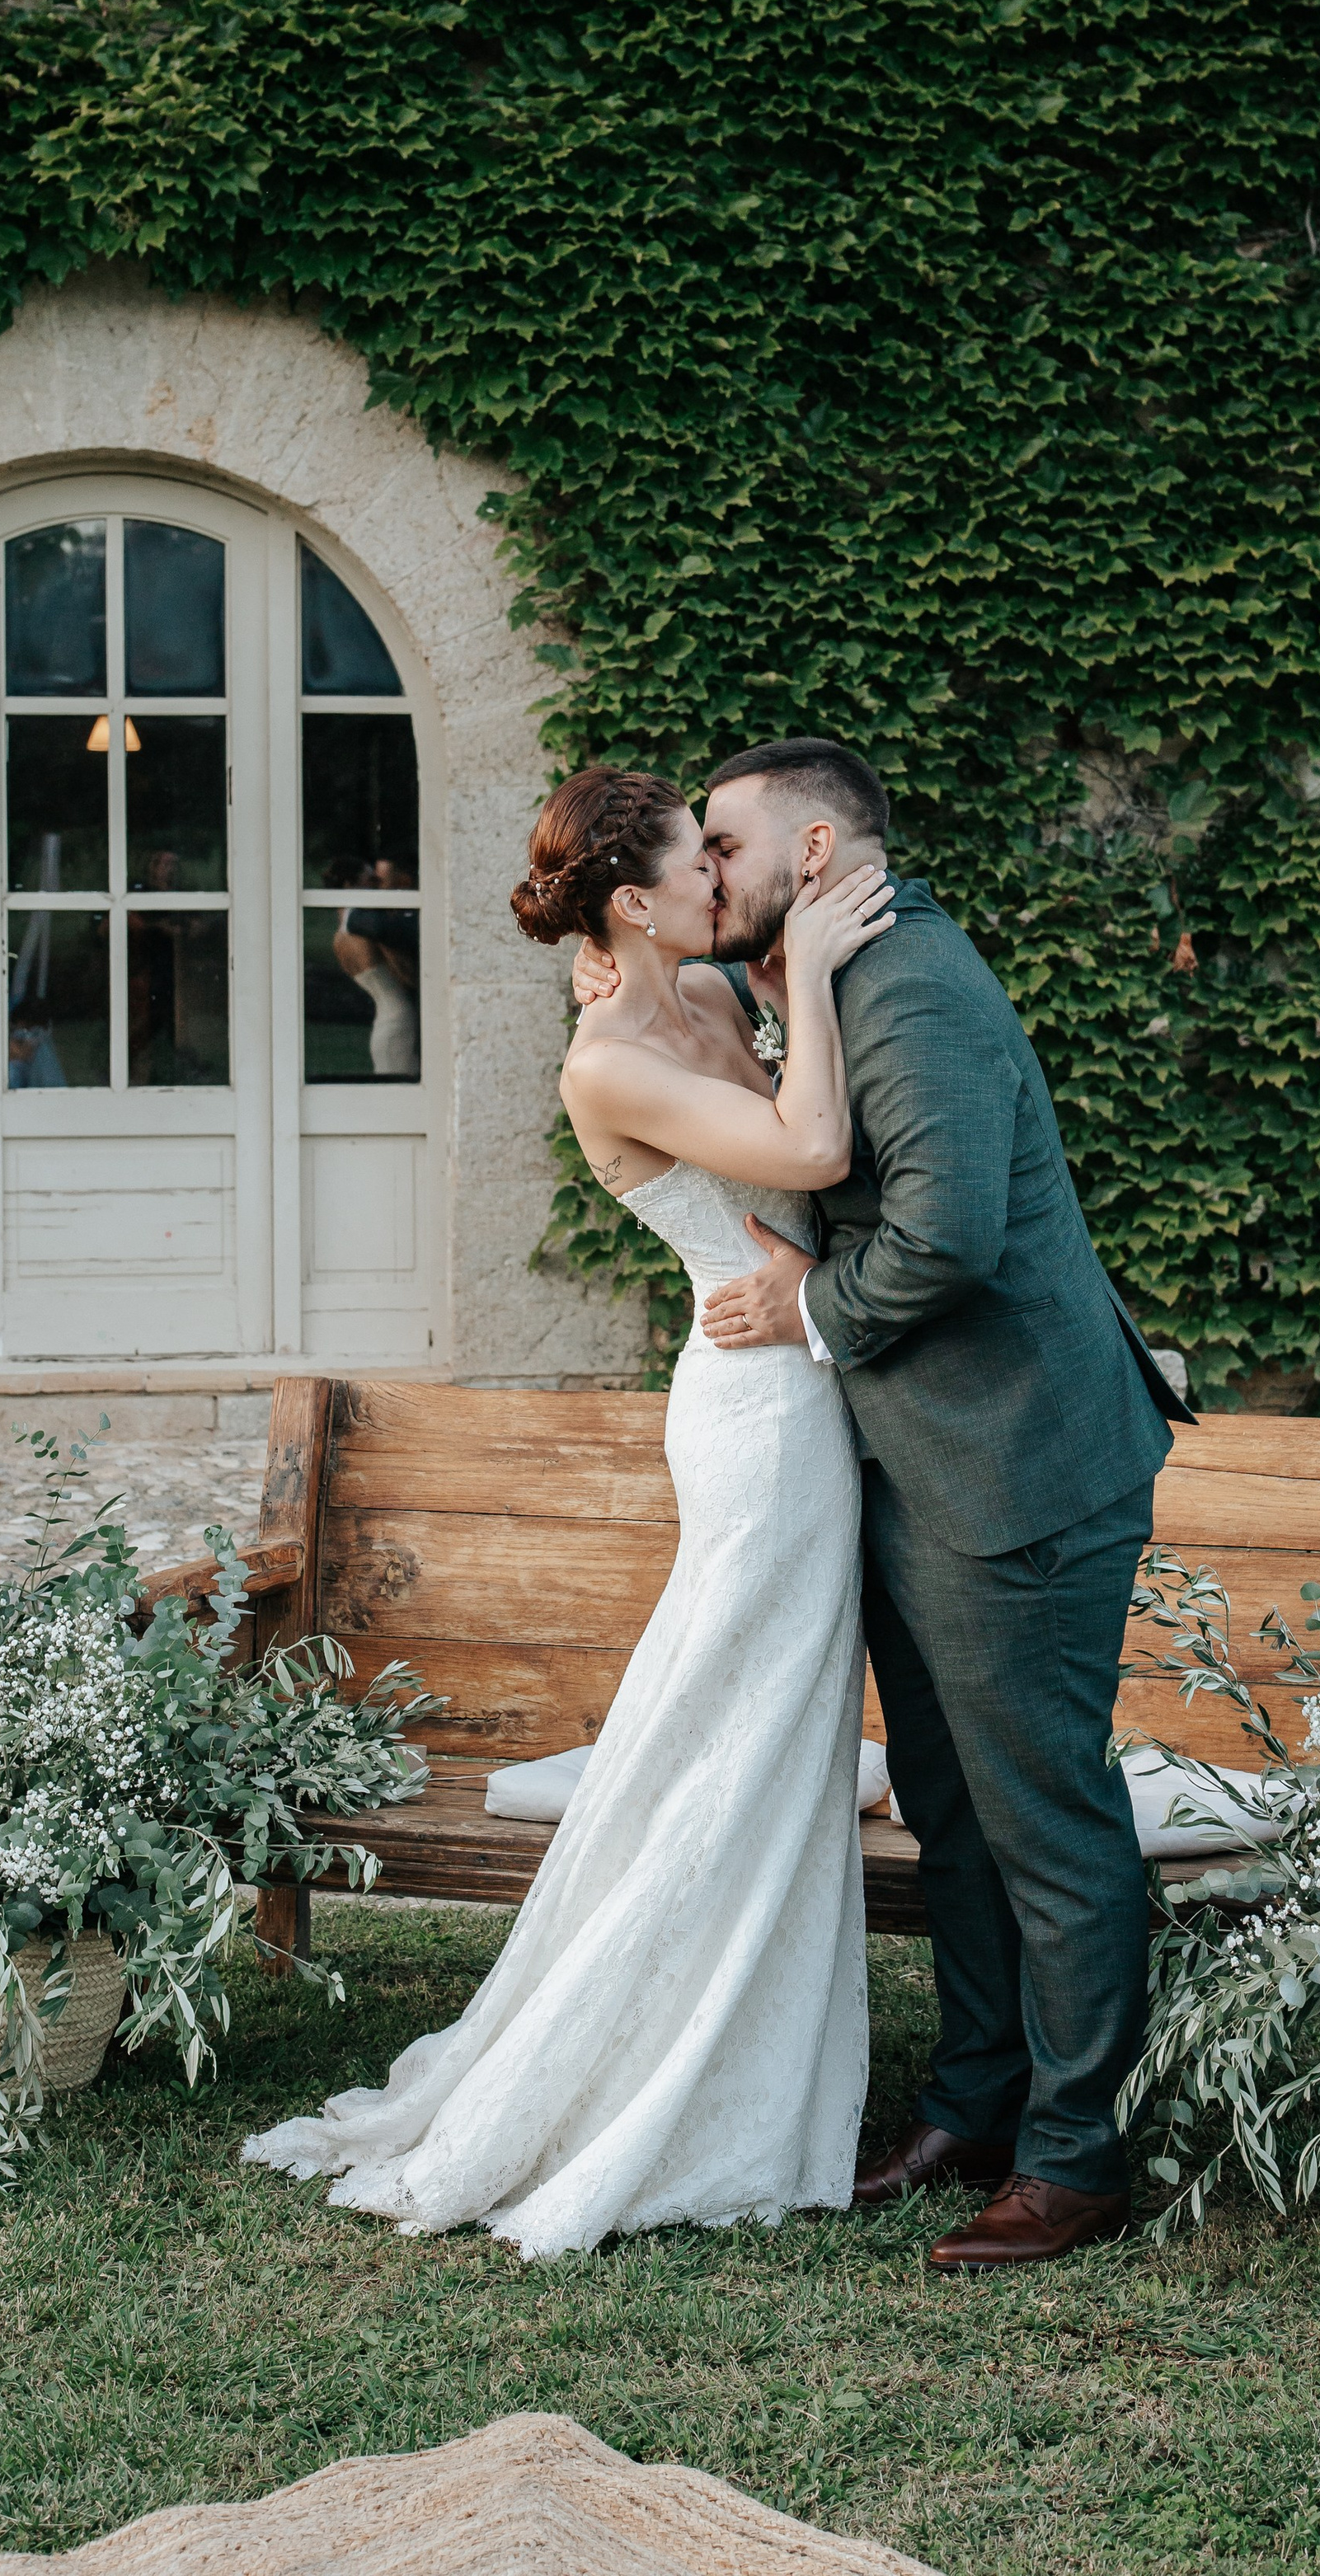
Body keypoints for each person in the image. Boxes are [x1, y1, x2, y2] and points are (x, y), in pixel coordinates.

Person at [243, 767, 895, 2255]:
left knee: (770, 1737)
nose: (721, 877)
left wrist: (777, 974)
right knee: (727, 1734)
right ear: (633, 903)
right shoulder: (604, 1063)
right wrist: (819, 974)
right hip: (756, 1419)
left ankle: (754, 2047)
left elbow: (777, 1099)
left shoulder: (707, 992)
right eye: (697, 861)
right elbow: (812, 1154)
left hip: (808, 1381)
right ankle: (652, 2064)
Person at [571, 739, 1193, 2272]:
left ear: (817, 851)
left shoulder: (911, 987)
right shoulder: (812, 969)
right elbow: (685, 1054)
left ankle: (1075, 2158)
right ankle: (972, 2104)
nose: (706, 868)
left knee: (1045, 1821)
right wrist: (628, 961)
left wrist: (803, 1307)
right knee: (950, 1809)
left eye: (725, 843)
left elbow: (950, 1238)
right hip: (912, 1464)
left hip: (1018, 1466)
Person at [329, 855, 420, 1077]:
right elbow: (405, 972)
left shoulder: (340, 937)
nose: (376, 886)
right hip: (399, 1017)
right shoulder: (362, 932)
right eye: (370, 880)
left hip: (385, 1019)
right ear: (350, 885)